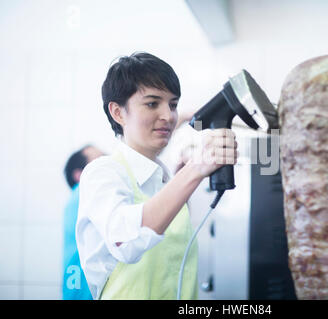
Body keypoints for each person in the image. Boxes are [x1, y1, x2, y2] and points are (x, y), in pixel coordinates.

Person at [76, 52, 238, 300]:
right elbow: (126, 242)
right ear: (118, 112)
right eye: (153, 104)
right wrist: (196, 170)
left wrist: (184, 178)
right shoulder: (103, 172)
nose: (169, 116)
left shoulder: (167, 181)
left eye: (172, 104)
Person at [63, 145, 103, 300]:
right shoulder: (83, 192)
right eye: (98, 161)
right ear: (79, 175)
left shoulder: (75, 200)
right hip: (81, 290)